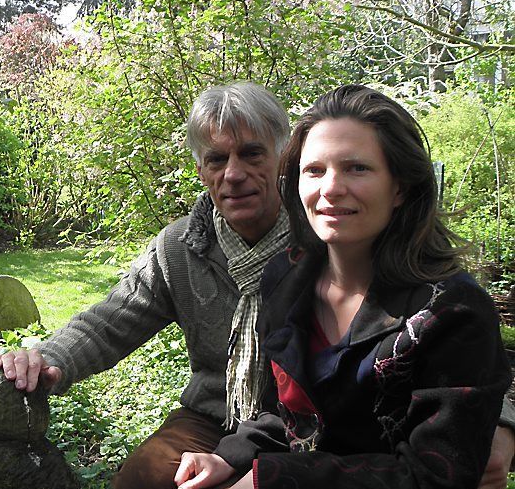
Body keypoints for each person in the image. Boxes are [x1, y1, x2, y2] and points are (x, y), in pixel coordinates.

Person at [0, 82, 515, 489]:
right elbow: (111, 319)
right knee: (143, 478)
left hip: (330, 438)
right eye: (216, 159)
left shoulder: (330, 237)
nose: (233, 174)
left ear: (281, 158)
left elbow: (467, 354)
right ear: (201, 170)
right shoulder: (190, 249)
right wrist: (46, 357)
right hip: (230, 418)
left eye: (251, 154)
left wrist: (501, 423)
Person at [174, 84, 512, 489]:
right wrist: (227, 458)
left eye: (357, 168)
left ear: (400, 186)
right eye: (314, 170)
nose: (330, 188)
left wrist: (275, 480)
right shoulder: (286, 277)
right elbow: (288, 415)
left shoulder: (451, 311)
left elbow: (436, 476)